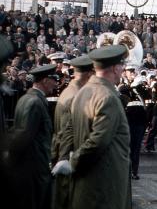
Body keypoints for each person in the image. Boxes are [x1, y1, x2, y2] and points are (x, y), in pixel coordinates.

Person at [54, 44, 132, 209]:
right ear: (114, 68)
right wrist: (72, 161)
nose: (123, 70)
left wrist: (65, 158)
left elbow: (69, 129)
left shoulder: (83, 91)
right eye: (121, 66)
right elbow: (98, 141)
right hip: (104, 182)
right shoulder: (108, 97)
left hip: (87, 181)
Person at [6, 64, 59, 209]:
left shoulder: (28, 99)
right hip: (34, 171)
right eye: (53, 79)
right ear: (45, 81)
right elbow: (22, 136)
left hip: (32, 169)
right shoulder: (34, 102)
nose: (56, 83)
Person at [51, 55, 94, 209]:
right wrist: (63, 159)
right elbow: (65, 132)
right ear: (89, 74)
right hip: (69, 156)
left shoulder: (69, 91)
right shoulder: (75, 96)